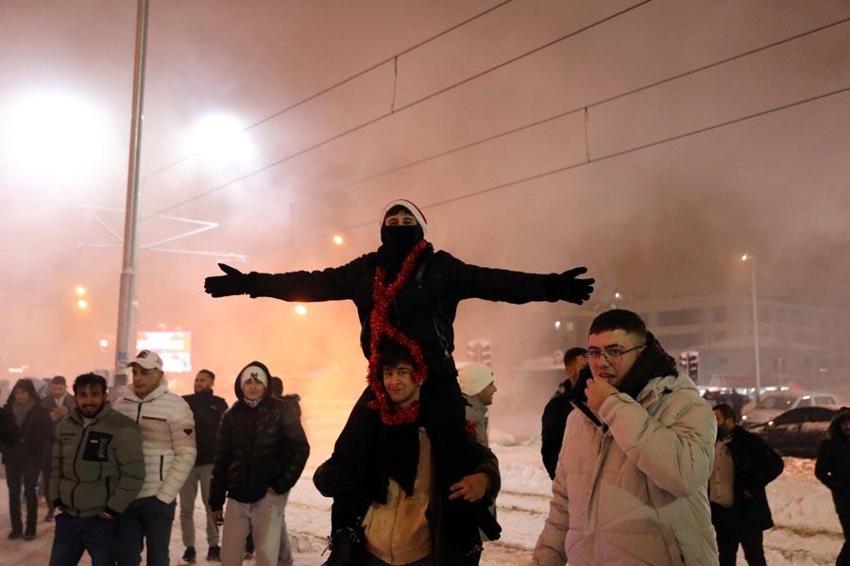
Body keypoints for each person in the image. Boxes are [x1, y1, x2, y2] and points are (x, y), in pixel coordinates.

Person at [204, 199, 594, 559]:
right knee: (349, 452)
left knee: (454, 456)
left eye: (408, 220)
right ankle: (346, 538)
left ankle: (462, 543)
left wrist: (552, 286)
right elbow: (311, 282)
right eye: (393, 220)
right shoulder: (364, 270)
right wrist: (249, 284)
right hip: (384, 381)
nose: (400, 225)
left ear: (421, 229)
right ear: (382, 229)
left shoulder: (441, 268)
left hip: (436, 378)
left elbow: (495, 283)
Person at [532, 309, 718, 565]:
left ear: (641, 353)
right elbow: (563, 508)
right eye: (594, 352)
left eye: (614, 351)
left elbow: (685, 474)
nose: (601, 362)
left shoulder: (683, 404)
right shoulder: (579, 418)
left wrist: (612, 405)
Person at [313, 345, 501, 565]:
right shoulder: (369, 424)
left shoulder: (438, 426)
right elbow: (338, 469)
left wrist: (484, 479)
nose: (394, 381)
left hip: (421, 553)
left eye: (402, 372)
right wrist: (329, 478)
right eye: (388, 373)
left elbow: (483, 460)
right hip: (370, 551)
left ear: (419, 376)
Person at [210, 361, 310, 566]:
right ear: (241, 385)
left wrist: (281, 485)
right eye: (248, 382)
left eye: (258, 382)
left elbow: (301, 448)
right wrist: (216, 501)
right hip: (237, 497)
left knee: (266, 557)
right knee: (229, 557)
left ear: (266, 385)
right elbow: (221, 459)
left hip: (268, 496)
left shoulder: (282, 410)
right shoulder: (231, 415)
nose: (253, 387)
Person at [48, 373, 146, 566]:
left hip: (102, 520)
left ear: (105, 396)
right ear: (75, 397)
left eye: (94, 394)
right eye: (83, 395)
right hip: (69, 518)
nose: (88, 401)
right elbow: (56, 466)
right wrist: (56, 497)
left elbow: (134, 474)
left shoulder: (121, 427)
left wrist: (112, 509)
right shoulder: (66, 425)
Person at [113, 350, 197, 566]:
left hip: (156, 496)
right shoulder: (121, 404)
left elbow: (186, 453)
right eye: (135, 372)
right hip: (125, 495)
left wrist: (165, 495)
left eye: (145, 372)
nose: (138, 378)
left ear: (160, 374)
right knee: (125, 558)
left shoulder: (176, 406)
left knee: (158, 559)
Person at [710, 403, 783, 566]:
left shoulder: (749, 442)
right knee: (725, 557)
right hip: (722, 513)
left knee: (754, 556)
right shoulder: (710, 442)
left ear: (729, 421)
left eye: (717, 419)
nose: (713, 423)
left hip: (747, 512)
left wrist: (753, 485)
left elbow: (775, 464)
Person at [180, 369, 228, 563]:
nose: (198, 383)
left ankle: (214, 545)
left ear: (211, 383)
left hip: (210, 463)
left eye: (203, 380)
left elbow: (227, 433)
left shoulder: (219, 404)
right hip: (187, 463)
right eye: (197, 379)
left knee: (212, 507)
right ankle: (189, 548)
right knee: (186, 509)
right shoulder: (184, 402)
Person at [2, 378, 52, 540]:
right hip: (12, 458)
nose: (20, 396)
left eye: (23, 392)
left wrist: (41, 455)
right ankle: (16, 528)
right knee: (13, 493)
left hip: (32, 458)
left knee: (30, 492)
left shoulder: (40, 411)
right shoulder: (6, 411)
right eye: (17, 392)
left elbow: (48, 436)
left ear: (30, 393)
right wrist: (5, 449)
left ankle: (30, 528)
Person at [540, 347, 587, 480]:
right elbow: (550, 451)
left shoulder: (599, 400)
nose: (590, 372)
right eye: (584, 368)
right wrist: (563, 482)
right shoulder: (556, 407)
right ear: (570, 371)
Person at [815, 407, 850, 566]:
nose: (848, 426)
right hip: (845, 502)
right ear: (838, 424)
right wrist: (839, 488)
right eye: (844, 423)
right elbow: (821, 472)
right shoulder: (830, 445)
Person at [41, 375, 77, 522]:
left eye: (59, 389)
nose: (56, 392)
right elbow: (37, 426)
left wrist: (68, 413)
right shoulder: (44, 403)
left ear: (65, 387)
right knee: (48, 480)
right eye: (53, 389)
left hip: (69, 446)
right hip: (49, 447)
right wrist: (49, 419)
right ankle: (51, 508)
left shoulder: (75, 401)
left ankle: (68, 508)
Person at [458, 363, 496, 446]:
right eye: (490, 385)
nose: (495, 389)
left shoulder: (470, 413)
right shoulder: (470, 418)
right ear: (477, 389)